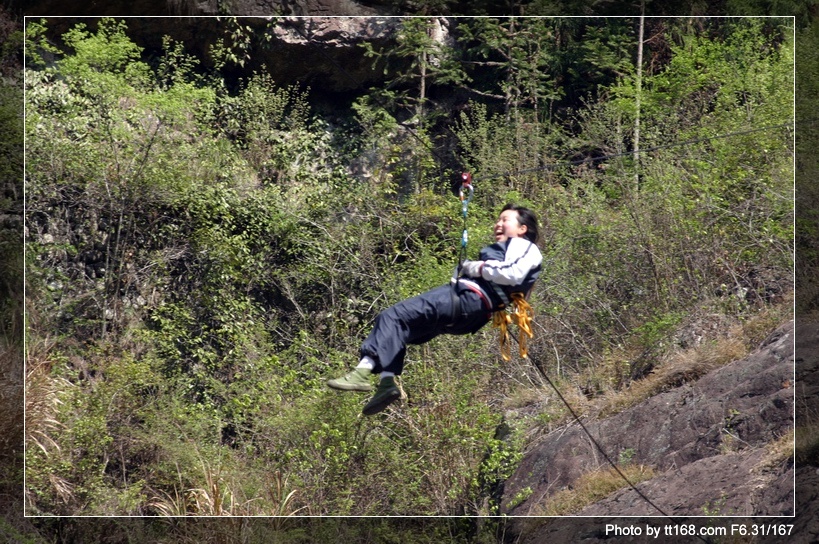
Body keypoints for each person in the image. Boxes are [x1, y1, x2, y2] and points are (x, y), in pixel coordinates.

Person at [327, 204, 543, 415]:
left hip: (467, 299)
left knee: (393, 316)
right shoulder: (511, 250)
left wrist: (475, 267)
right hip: (469, 313)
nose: (498, 224)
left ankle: (361, 373)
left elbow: (513, 273)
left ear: (522, 228)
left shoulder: (523, 246)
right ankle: (386, 382)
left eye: (505, 220)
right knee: (399, 329)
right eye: (498, 220)